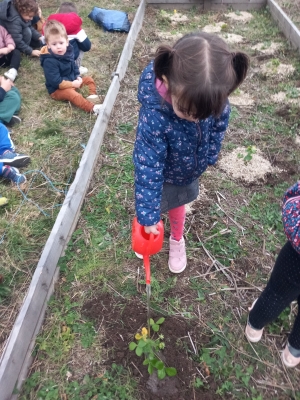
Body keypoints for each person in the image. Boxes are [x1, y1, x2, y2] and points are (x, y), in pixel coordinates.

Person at [133, 32, 249, 273]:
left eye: (202, 114)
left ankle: (176, 238)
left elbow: (219, 125)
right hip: (164, 172)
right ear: (166, 80)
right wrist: (148, 214)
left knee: (178, 204)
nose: (194, 118)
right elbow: (148, 167)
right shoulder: (155, 116)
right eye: (186, 110)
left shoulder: (213, 97)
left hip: (188, 170)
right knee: (153, 201)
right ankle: (147, 226)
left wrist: (210, 154)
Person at [245, 181, 300, 368]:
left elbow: (293, 202)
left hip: (296, 262)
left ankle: (255, 325)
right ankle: (294, 351)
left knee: (276, 294)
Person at [40, 20, 101, 115]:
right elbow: (56, 82)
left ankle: (92, 96)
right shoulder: (49, 61)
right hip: (57, 89)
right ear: (48, 45)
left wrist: (78, 76)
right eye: (54, 44)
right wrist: (72, 84)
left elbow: (74, 65)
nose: (58, 47)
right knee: (71, 94)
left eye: (61, 43)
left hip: (72, 80)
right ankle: (92, 108)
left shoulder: (68, 51)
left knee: (89, 80)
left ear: (67, 42)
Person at [45, 2, 91, 75]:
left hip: (52, 59)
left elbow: (42, 40)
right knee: (82, 44)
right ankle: (76, 68)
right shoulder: (77, 30)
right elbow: (87, 46)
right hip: (69, 59)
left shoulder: (49, 26)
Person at [0, 0, 42, 70]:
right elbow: (17, 40)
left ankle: (37, 43)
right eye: (30, 16)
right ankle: (24, 50)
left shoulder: (22, 15)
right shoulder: (15, 20)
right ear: (22, 11)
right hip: (9, 38)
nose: (31, 19)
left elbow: (29, 26)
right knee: (27, 32)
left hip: (15, 32)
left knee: (32, 35)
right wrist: (30, 52)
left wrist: (39, 37)